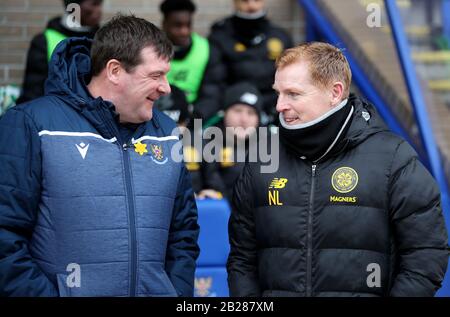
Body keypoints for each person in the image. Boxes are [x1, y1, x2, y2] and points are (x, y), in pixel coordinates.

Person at [227, 42, 449, 297]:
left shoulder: (394, 158)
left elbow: (426, 255)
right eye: (278, 93)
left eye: (293, 94)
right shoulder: (262, 158)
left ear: (335, 92)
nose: (279, 105)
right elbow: (242, 258)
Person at [0, 14, 199, 297]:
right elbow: (5, 235)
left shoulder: (167, 133)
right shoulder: (31, 124)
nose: (166, 88)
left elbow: (183, 233)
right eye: (155, 75)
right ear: (115, 71)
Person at [207, 0, 293, 126]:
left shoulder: (281, 37)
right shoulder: (220, 36)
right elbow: (213, 84)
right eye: (245, 0)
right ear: (235, 2)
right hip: (234, 109)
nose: (251, 6)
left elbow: (289, 82)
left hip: (273, 110)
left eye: (256, 0)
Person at [17, 0, 103, 104]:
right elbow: (33, 92)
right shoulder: (44, 41)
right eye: (94, 4)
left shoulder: (102, 41)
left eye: (100, 4)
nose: (99, 10)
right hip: (52, 114)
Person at [160, 0, 223, 122]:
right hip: (156, 112)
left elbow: (212, 92)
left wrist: (194, 117)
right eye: (177, 25)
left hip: (192, 116)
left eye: (188, 25)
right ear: (164, 24)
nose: (184, 31)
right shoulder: (150, 50)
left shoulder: (206, 49)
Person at [198, 82, 262, 201]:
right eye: (238, 111)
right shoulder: (203, 146)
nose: (244, 119)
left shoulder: (269, 150)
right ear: (224, 113)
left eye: (251, 113)